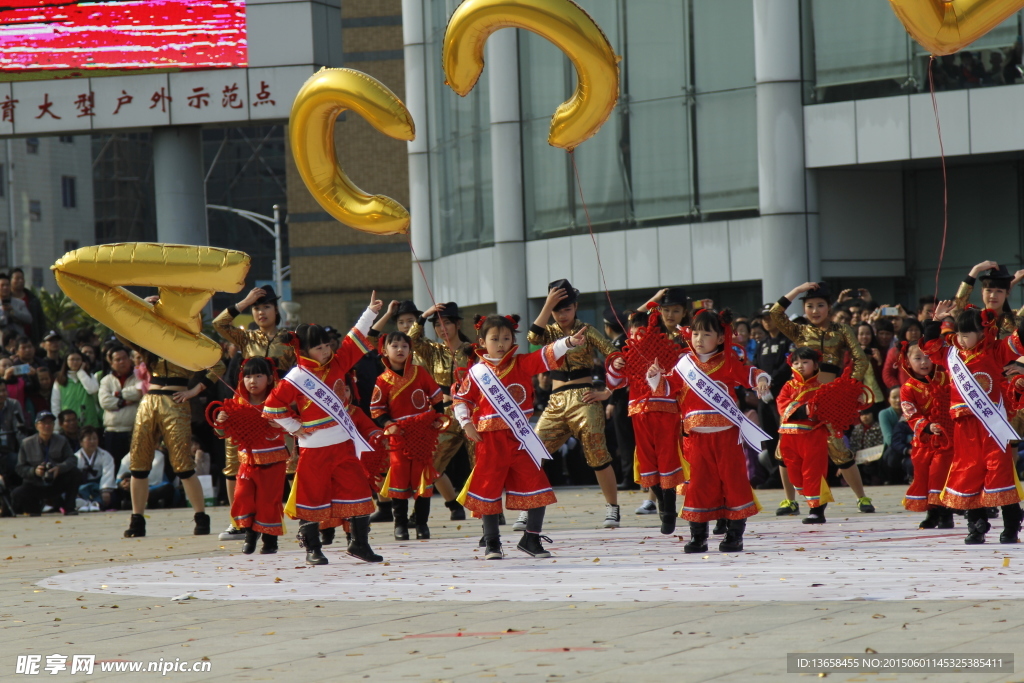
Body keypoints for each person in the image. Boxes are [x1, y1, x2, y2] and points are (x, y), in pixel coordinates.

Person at [263, 292, 385, 566]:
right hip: (314, 448)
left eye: (327, 346)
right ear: (303, 351)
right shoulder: (295, 378)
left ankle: (359, 544)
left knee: (358, 492)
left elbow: (354, 339)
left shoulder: (338, 363)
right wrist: (294, 426)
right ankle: (313, 548)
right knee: (312, 497)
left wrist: (370, 312)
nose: (325, 351)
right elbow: (271, 407)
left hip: (343, 444)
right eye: (318, 348)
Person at [454, 314, 586, 559]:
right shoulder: (477, 373)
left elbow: (544, 355)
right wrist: (466, 424)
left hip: (520, 439)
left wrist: (568, 342)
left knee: (537, 486)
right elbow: (461, 400)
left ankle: (531, 538)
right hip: (489, 441)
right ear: (482, 341)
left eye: (506, 337)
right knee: (488, 492)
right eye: (495, 338)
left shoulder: (521, 363)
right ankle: (492, 542)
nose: (502, 343)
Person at [649, 308, 772, 553]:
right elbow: (666, 388)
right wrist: (654, 378)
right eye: (695, 333)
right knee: (699, 485)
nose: (699, 339)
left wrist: (760, 380)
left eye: (706, 334)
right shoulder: (684, 365)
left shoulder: (727, 361)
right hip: (696, 439)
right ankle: (698, 536)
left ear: (720, 338)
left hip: (727, 436)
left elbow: (750, 373)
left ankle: (734, 534)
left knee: (733, 482)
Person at [119, 296, 226, 538]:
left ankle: (201, 516)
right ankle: (137, 519)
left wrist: (194, 391)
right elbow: (122, 331)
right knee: (138, 462)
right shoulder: (150, 341)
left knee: (183, 463)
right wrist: (141, 308)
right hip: (150, 401)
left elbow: (218, 365)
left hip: (176, 401)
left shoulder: (190, 341)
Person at [921, 301, 1024, 544]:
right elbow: (929, 346)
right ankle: (976, 524)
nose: (961, 338)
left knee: (1000, 473)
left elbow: (1019, 341)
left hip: (991, 426)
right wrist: (935, 321)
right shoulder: (951, 354)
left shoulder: (995, 350)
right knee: (968, 474)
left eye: (966, 334)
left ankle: (1011, 523)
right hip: (964, 427)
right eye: (958, 334)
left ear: (982, 332)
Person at [770, 281, 876, 513]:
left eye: (820, 305)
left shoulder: (842, 330)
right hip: (798, 398)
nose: (815, 311)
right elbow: (775, 313)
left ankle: (862, 497)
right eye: (809, 306)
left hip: (830, 399)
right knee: (786, 448)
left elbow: (861, 359)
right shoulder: (799, 330)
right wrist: (796, 290)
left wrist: (849, 388)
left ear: (829, 307)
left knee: (838, 449)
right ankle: (791, 501)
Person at [528, 280, 622, 529]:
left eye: (566, 309)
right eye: (557, 310)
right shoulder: (549, 331)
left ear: (575, 307)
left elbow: (613, 354)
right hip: (556, 401)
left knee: (597, 453)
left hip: (584, 397)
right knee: (532, 453)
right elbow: (532, 337)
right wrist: (547, 305)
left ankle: (612, 508)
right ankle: (526, 507)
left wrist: (608, 392)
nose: (562, 315)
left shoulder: (587, 330)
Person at [212, 285, 296, 542]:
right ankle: (238, 522)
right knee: (235, 463)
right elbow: (219, 324)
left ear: (276, 310)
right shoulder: (246, 338)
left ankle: (305, 516)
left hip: (279, 407)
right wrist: (244, 302)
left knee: (290, 461)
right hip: (245, 408)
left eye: (265, 307)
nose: (261, 312)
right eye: (256, 308)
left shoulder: (289, 339)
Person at [605, 309, 685, 534]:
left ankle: (668, 507)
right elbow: (613, 383)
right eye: (634, 333)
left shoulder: (670, 353)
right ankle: (662, 502)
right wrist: (616, 366)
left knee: (667, 459)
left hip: (666, 414)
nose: (637, 337)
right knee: (647, 462)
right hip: (639, 414)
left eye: (642, 332)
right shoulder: (629, 355)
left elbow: (682, 378)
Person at [370, 331, 445, 540]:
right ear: (385, 350)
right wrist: (388, 425)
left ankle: (422, 524)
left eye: (404, 345)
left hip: (423, 435)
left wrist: (439, 417)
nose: (400, 349)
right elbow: (376, 409)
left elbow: (436, 398)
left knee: (423, 480)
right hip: (399, 437)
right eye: (394, 346)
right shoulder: (382, 380)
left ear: (410, 349)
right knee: (399, 481)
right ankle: (400, 525)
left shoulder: (420, 372)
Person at [214, 357, 290, 555]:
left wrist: (283, 423)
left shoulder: (277, 401)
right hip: (247, 462)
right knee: (241, 496)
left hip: (273, 461)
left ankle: (269, 540)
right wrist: (221, 420)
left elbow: (295, 426)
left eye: (258, 376)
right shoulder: (237, 402)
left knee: (268, 501)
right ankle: (249, 533)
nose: (252, 381)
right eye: (248, 376)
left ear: (270, 378)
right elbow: (223, 433)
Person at [406, 301, 475, 520]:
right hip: (446, 414)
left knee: (480, 463)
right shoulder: (433, 351)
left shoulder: (473, 351)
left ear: (458, 324)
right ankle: (420, 513)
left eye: (447, 323)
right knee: (431, 462)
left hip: (474, 414)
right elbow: (411, 340)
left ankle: (489, 510)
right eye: (437, 325)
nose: (442, 329)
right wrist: (423, 316)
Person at [899, 343, 955, 529]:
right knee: (923, 475)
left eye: (928, 357)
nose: (924, 362)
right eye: (918, 358)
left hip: (945, 438)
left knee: (939, 474)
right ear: (907, 361)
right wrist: (928, 426)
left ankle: (944, 514)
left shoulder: (944, 377)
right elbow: (910, 413)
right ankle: (933, 513)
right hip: (923, 440)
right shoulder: (908, 388)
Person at [775, 347, 833, 524]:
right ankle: (813, 501)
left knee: (813, 472)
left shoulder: (822, 389)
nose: (800, 366)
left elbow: (827, 412)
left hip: (812, 437)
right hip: (789, 436)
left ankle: (816, 509)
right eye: (796, 362)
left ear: (815, 365)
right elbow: (782, 406)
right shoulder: (787, 386)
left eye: (805, 362)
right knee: (795, 473)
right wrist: (806, 410)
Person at [12, 411, 80, 516]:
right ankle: (33, 508)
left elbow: (72, 459)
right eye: (43, 423)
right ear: (36, 426)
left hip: (56, 481)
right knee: (17, 494)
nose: (47, 426)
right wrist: (34, 471)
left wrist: (59, 468)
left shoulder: (62, 440)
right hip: (35, 483)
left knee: (75, 473)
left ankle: (69, 507)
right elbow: (20, 468)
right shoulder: (26, 443)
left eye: (50, 423)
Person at [603, 307, 637, 491]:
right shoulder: (626, 342)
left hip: (623, 398)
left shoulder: (619, 346)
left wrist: (611, 402)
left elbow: (619, 378)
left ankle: (629, 476)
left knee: (625, 440)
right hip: (627, 397)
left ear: (608, 327)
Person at [98, 346, 141, 462]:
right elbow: (105, 402)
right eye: (117, 360)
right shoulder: (106, 380)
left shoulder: (139, 376)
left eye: (124, 358)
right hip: (113, 432)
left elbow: (138, 392)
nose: (122, 362)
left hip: (134, 430)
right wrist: (125, 401)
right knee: (114, 465)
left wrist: (117, 394)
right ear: (111, 363)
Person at [51, 351, 101, 429]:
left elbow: (93, 390)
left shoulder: (89, 376)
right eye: (72, 359)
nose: (75, 362)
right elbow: (55, 404)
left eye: (78, 359)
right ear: (66, 362)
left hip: (89, 422)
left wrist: (81, 372)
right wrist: (57, 427)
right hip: (68, 423)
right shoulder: (60, 380)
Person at [75, 426, 117, 512]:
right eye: (89, 439)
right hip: (82, 487)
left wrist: (105, 490)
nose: (92, 442)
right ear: (81, 442)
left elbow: (108, 474)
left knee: (112, 496)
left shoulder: (105, 455)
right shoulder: (76, 457)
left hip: (99, 487)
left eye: (95, 438)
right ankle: (83, 503)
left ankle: (96, 503)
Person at [0, 382, 25, 490]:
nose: (1, 394)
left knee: (17, 462)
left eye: (3, 390)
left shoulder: (14, 404)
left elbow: (20, 431)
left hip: (9, 450)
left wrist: (25, 450)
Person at [10, 268, 45, 345]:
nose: (20, 281)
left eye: (22, 278)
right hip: (12, 341)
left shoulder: (33, 300)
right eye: (17, 278)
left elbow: (41, 322)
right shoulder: (6, 300)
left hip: (32, 340)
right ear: (10, 281)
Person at [0, 272, 32, 338]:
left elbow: (29, 319)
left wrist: (13, 311)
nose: (5, 288)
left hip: (18, 338)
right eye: (2, 285)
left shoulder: (19, 303)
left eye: (7, 285)